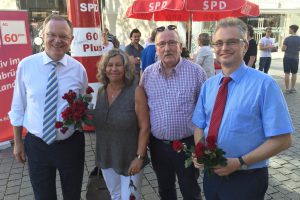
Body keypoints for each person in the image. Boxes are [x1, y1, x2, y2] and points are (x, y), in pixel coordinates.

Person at [192, 17, 293, 200]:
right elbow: (199, 124)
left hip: (246, 178)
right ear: (213, 48)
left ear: (245, 46)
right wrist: (201, 151)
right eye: (219, 43)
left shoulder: (265, 85)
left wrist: (239, 162)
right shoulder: (209, 85)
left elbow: (283, 140)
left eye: (232, 42)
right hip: (212, 176)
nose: (224, 48)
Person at [8, 15, 88, 200]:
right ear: (42, 35)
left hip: (71, 144)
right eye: (51, 34)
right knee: (43, 196)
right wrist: (18, 141)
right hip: (37, 145)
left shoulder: (78, 69)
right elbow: (18, 106)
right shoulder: (26, 66)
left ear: (71, 40)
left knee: (72, 194)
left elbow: (83, 102)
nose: (57, 40)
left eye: (63, 36)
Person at [140, 25, 206, 200]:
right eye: (162, 44)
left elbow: (206, 112)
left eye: (172, 43)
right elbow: (143, 109)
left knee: (190, 190)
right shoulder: (147, 74)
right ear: (156, 48)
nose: (167, 48)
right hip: (158, 146)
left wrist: (202, 145)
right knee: (165, 190)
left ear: (181, 46)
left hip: (187, 145)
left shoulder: (196, 73)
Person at [92, 49, 150, 200]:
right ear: (104, 69)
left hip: (130, 158)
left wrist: (140, 157)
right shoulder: (101, 92)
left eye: (118, 65)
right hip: (107, 156)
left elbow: (145, 127)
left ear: (126, 68)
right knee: (115, 196)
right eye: (110, 65)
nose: (114, 69)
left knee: (129, 198)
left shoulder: (136, 91)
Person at [281, 24, 300, 93]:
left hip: (287, 58)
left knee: (287, 73)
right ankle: (292, 88)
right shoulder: (299, 38)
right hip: (295, 58)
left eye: (289, 29)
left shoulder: (287, 39)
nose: (288, 30)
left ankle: (287, 89)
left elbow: (283, 49)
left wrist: (284, 48)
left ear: (292, 30)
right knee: (294, 73)